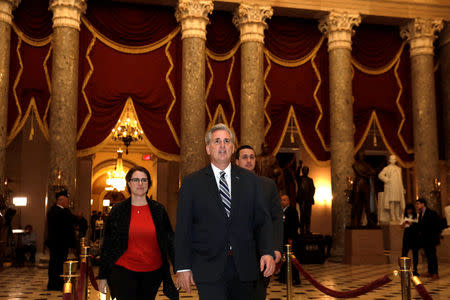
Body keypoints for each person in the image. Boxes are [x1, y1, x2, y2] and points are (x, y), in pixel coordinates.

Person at [175, 123, 275, 300]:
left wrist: (267, 251)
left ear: (232, 148)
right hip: (208, 267)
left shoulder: (250, 180)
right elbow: (183, 228)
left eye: (226, 141)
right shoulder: (192, 184)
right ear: (208, 148)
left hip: (244, 265)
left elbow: (263, 220)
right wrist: (183, 267)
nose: (222, 145)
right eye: (217, 141)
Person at [98, 166, 178, 300]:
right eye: (135, 180)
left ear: (149, 184)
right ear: (129, 183)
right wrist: (102, 275)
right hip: (123, 270)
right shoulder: (118, 210)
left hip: (153, 271)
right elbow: (108, 244)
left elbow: (169, 240)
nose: (140, 183)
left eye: (144, 180)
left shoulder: (158, 210)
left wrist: (180, 269)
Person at [235, 144, 283, 300]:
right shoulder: (227, 184)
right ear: (236, 162)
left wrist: (275, 248)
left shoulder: (268, 185)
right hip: (235, 255)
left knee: (258, 294)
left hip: (261, 254)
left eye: (252, 157)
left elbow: (276, 219)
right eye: (244, 157)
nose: (249, 161)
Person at [46, 190, 77, 291]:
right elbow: (63, 224)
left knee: (60, 264)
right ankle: (53, 284)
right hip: (57, 243)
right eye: (66, 202)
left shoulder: (64, 211)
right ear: (61, 201)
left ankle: (58, 283)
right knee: (55, 264)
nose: (68, 204)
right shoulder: (54, 211)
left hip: (62, 243)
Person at [415, 198, 441, 280]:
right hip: (425, 239)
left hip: (431, 238)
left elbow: (436, 225)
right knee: (428, 256)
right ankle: (430, 272)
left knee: (432, 256)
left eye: (418, 204)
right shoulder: (420, 214)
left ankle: (435, 273)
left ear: (423, 204)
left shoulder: (432, 213)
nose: (417, 205)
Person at [279, 194, 300, 285]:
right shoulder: (280, 211)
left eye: (284, 200)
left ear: (288, 201)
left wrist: (291, 238)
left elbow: (295, 225)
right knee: (284, 258)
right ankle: (283, 277)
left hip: (290, 239)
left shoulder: (292, 211)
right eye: (281, 200)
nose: (282, 201)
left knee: (292, 259)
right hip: (283, 239)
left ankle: (295, 278)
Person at [351, 152, 377, 227]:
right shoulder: (355, 164)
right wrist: (367, 174)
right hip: (358, 184)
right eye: (361, 155)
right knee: (357, 204)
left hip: (366, 185)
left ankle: (369, 221)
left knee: (367, 204)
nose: (362, 156)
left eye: (363, 155)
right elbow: (360, 172)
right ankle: (356, 222)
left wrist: (368, 174)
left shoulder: (366, 165)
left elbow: (373, 172)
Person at [378, 155, 405, 223]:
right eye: (392, 159)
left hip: (397, 187)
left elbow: (400, 180)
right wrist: (387, 179)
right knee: (392, 202)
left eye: (394, 159)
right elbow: (380, 175)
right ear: (389, 160)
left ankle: (397, 216)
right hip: (391, 187)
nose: (393, 160)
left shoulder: (399, 169)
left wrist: (402, 188)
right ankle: (392, 216)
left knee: (398, 202)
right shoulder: (387, 168)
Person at [400, 204, 419, 276]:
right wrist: (405, 223)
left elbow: (418, 225)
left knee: (415, 253)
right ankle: (404, 269)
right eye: (408, 209)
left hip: (414, 234)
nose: (409, 211)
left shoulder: (416, 215)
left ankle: (415, 269)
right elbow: (401, 226)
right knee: (404, 252)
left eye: (410, 209)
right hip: (407, 234)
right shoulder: (404, 216)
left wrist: (412, 224)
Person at [296, 166, 315, 235]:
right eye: (304, 170)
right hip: (302, 200)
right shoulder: (300, 179)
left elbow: (313, 189)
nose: (306, 171)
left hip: (308, 200)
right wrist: (299, 167)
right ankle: (301, 230)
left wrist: (310, 196)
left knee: (308, 216)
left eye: (307, 170)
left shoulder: (310, 180)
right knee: (302, 216)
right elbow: (296, 175)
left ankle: (307, 230)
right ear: (302, 171)